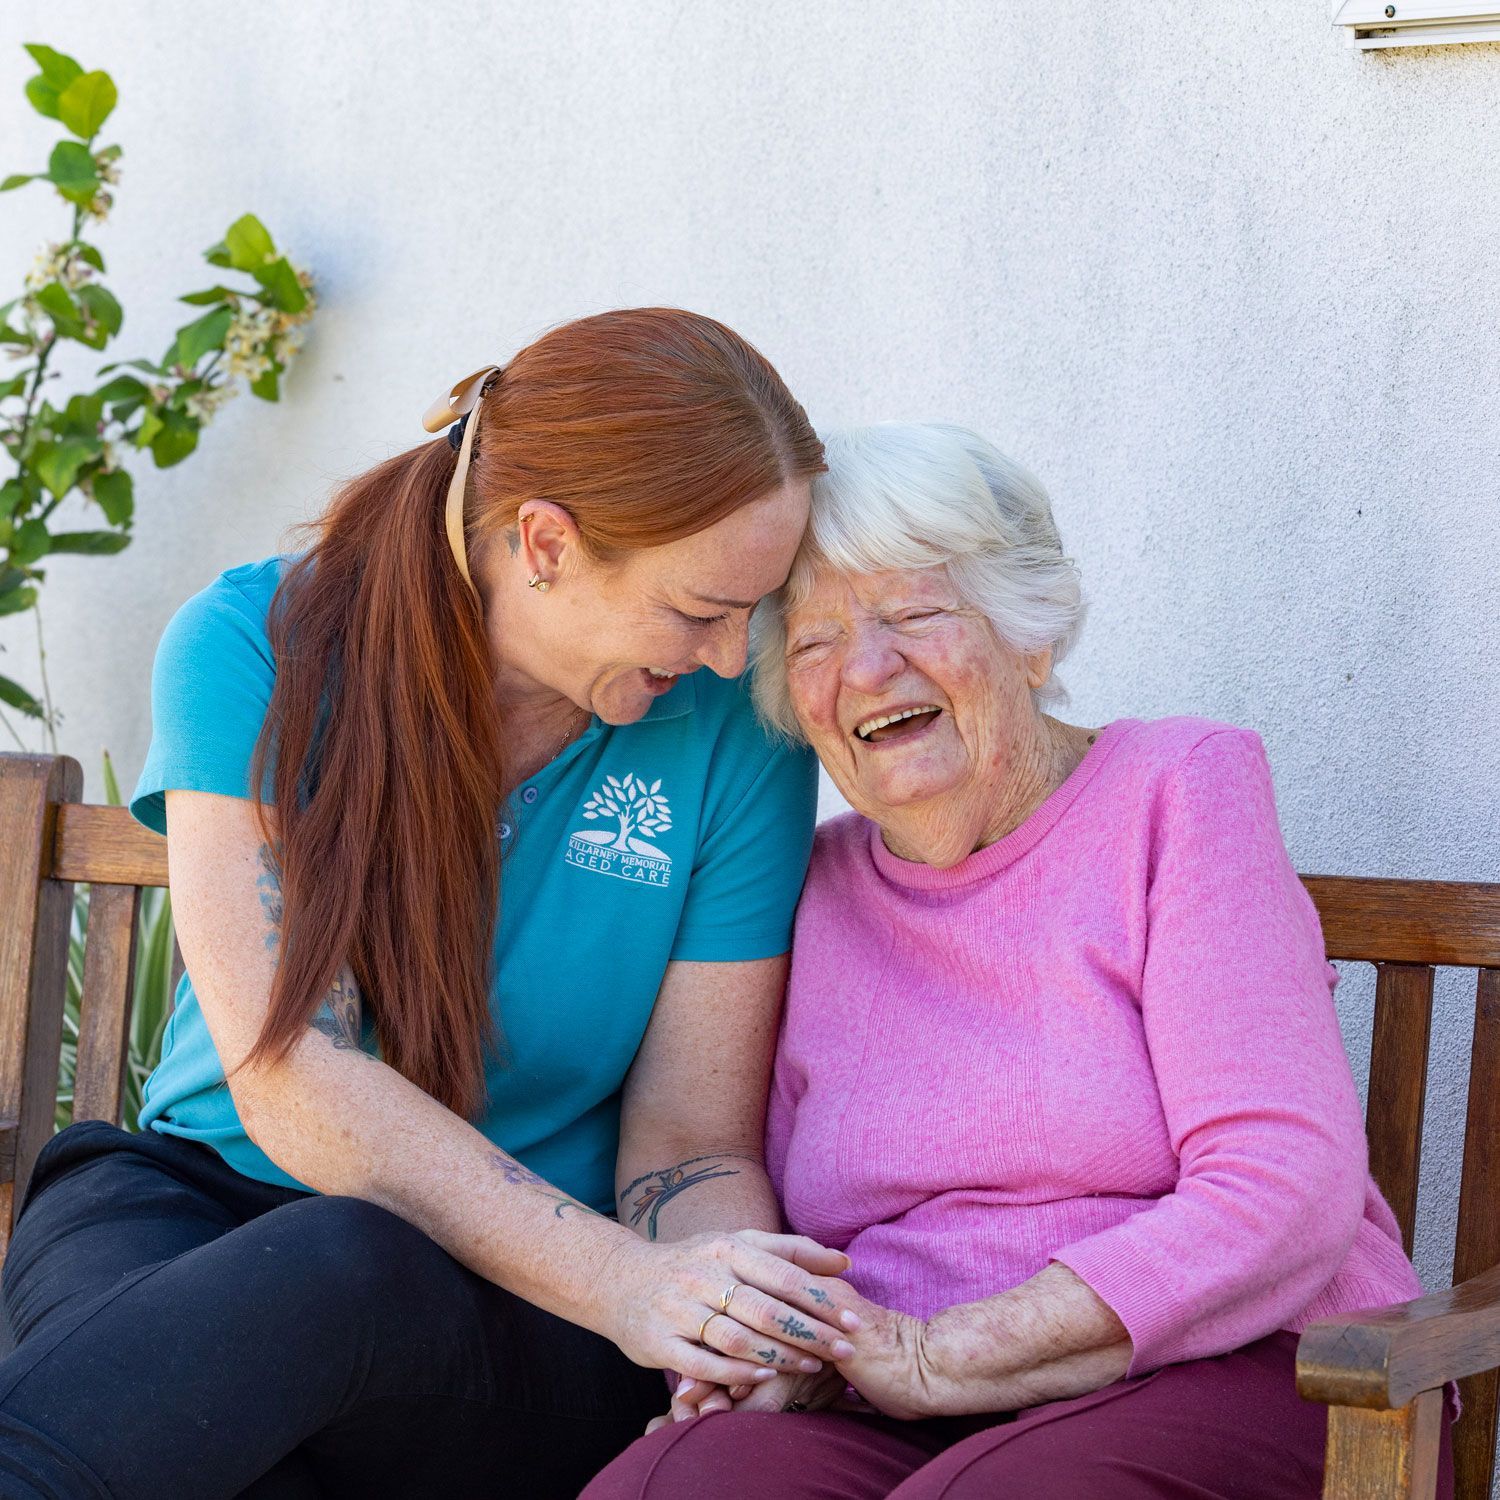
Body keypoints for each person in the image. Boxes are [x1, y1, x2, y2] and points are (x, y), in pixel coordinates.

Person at [0, 309, 871, 1500]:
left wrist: (708, 1307)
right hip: (191, 1203)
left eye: (751, 615)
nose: (731, 658)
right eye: (698, 610)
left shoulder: (736, 736)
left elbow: (688, 1141)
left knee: (323, 1287)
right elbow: (292, 1067)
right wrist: (631, 1283)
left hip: (527, 1304)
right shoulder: (257, 644)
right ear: (547, 542)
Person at [585, 422, 1454, 1500]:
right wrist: (777, 1346)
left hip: (1251, 1367)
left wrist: (952, 1353)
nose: (866, 668)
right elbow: (726, 1174)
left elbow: (1284, 1183)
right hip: (892, 1397)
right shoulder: (804, 890)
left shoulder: (1179, 792)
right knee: (674, 1485)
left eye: (913, 614)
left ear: (1029, 637)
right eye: (813, 642)